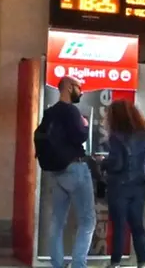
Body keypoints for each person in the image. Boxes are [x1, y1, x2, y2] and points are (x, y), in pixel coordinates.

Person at [41, 76, 95, 268]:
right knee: (88, 221)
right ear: (69, 87)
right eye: (79, 88)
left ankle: (57, 264)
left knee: (57, 222)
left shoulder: (49, 113)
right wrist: (86, 126)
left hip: (57, 172)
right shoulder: (71, 111)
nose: (81, 92)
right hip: (76, 168)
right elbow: (79, 136)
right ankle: (78, 264)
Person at [101, 100, 145, 268]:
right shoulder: (144, 133)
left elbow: (118, 163)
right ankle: (142, 263)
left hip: (119, 187)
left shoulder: (116, 136)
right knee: (138, 226)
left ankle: (115, 263)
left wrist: (103, 162)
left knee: (120, 226)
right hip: (138, 186)